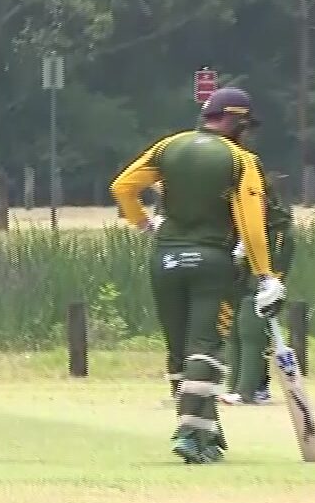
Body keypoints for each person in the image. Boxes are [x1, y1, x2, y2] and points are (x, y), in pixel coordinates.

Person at [110, 86, 285, 464]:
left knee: (179, 350)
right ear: (236, 121)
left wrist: (144, 222)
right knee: (204, 348)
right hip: (212, 262)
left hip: (166, 261)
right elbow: (252, 225)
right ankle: (190, 432)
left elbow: (123, 187)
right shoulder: (241, 161)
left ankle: (206, 429)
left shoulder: (168, 147)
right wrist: (266, 274)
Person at [222, 174, 295, 406]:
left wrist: (269, 282)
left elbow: (278, 263)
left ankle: (248, 390)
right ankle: (234, 386)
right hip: (240, 283)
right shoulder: (237, 225)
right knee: (233, 328)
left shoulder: (278, 230)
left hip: (264, 284)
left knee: (251, 324)